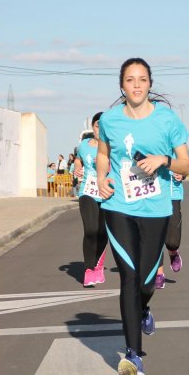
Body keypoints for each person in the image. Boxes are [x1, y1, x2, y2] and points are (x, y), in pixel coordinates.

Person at [96, 57, 189, 375]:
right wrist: (101, 178)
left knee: (147, 281)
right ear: (121, 86)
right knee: (129, 277)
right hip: (118, 207)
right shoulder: (110, 121)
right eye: (130, 80)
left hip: (156, 209)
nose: (136, 85)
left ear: (150, 84)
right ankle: (133, 355)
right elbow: (103, 154)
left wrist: (163, 159)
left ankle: (144, 306)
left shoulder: (167, 120)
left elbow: (186, 164)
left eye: (142, 79)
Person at [74, 112, 109, 287]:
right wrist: (77, 166)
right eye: (97, 126)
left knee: (102, 232)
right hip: (87, 191)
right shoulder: (83, 145)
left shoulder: (113, 147)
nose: (100, 129)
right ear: (93, 127)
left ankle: (98, 265)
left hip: (108, 193)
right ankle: (89, 269)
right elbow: (78, 159)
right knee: (90, 230)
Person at [154, 161, 189, 289]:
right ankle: (159, 274)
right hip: (153, 196)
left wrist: (183, 174)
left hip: (173, 194)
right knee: (155, 237)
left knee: (172, 242)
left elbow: (187, 164)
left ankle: (173, 252)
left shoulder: (176, 145)